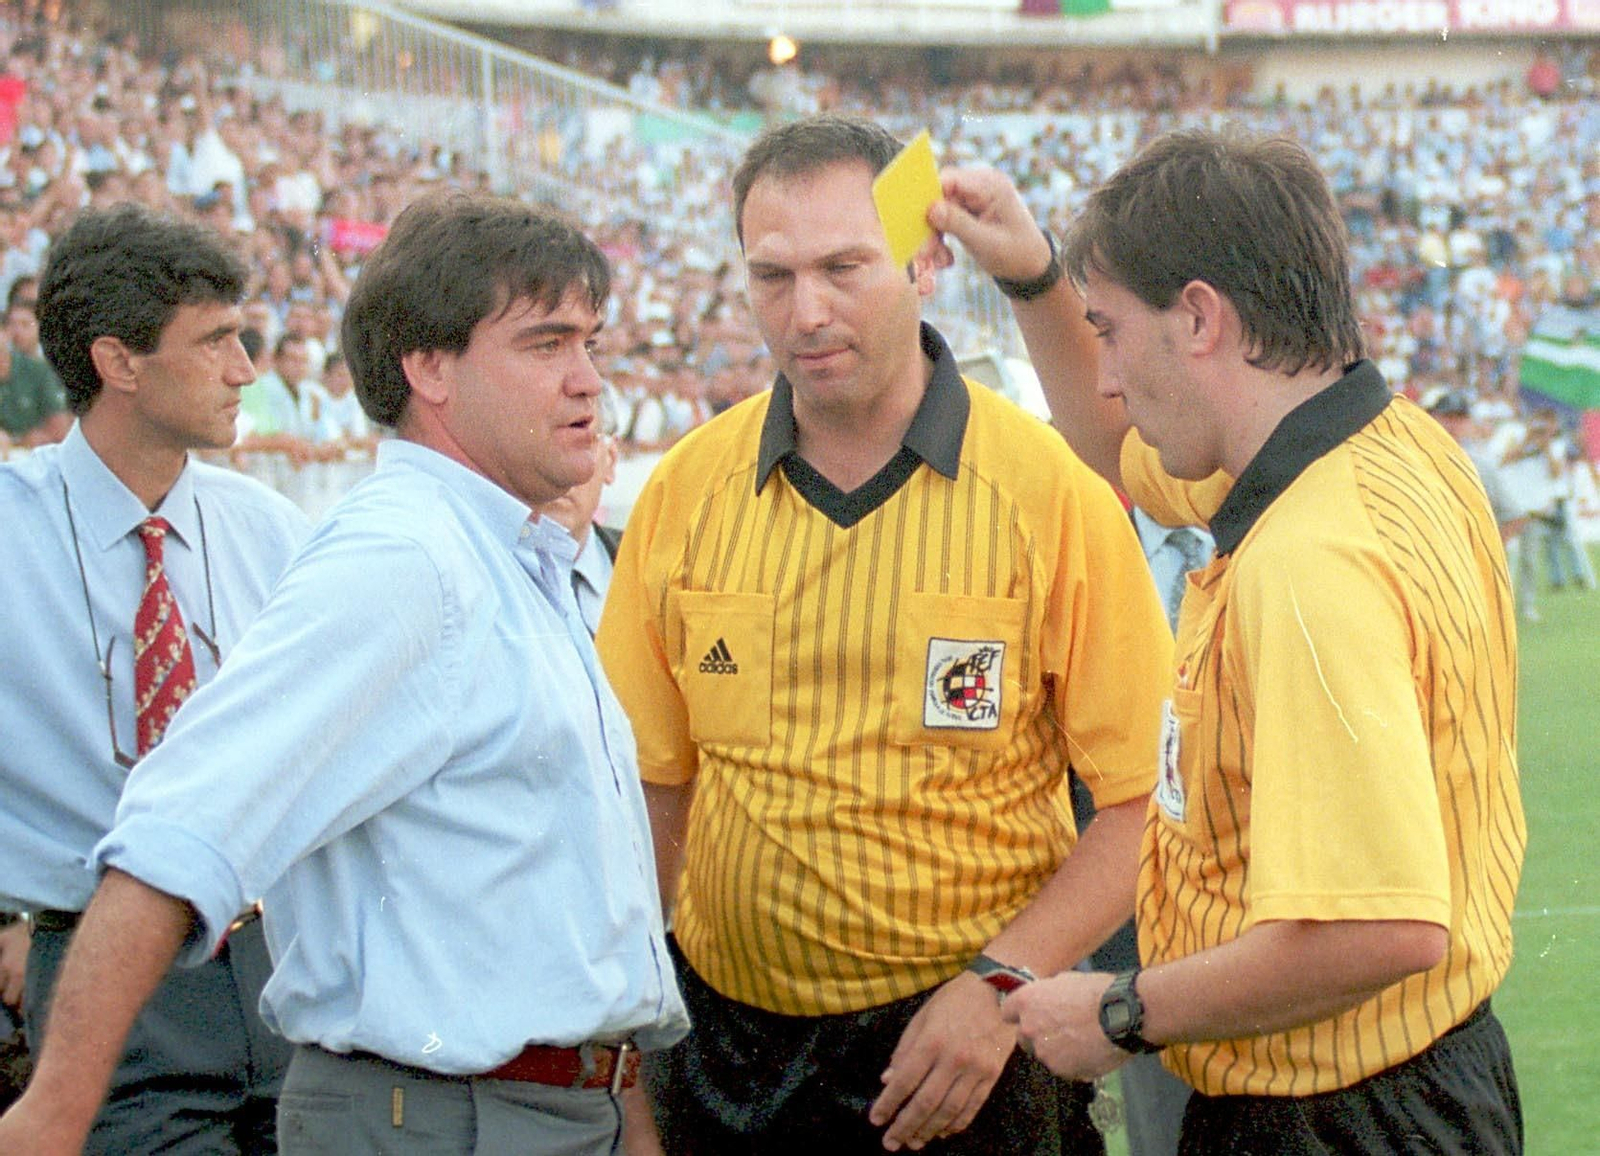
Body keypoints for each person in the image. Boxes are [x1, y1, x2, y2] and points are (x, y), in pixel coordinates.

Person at [0, 193, 688, 1156]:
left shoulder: (496, 556)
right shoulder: (403, 562)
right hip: (428, 1107)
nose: (589, 383)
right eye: (546, 345)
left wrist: (620, 1101)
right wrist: (54, 1111)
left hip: (535, 1099)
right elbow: (182, 825)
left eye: (592, 344)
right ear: (430, 368)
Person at [931, 128, 1525, 1153]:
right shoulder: (1391, 443)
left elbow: (1379, 926)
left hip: (1336, 1118)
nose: (1106, 373)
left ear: (1200, 317)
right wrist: (1035, 280)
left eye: (1109, 331)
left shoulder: (1309, 564)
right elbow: (1111, 443)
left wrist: (1118, 1010)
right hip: (1420, 1083)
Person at [596, 114, 1172, 1155]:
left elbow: (1142, 804)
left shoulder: (1048, 494)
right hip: (728, 1060)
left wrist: (1002, 978)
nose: (805, 310)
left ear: (924, 260)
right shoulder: (686, 491)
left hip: (972, 1056)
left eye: (844, 266)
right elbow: (651, 791)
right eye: (771, 275)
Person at [0, 203, 309, 1152]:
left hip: (282, 964)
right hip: (98, 976)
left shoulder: (269, 529)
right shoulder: (9, 530)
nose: (245, 370)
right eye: (216, 340)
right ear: (118, 363)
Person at [539, 380, 623, 637]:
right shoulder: (478, 574)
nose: (560, 473)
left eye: (580, 443)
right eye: (544, 447)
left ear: (610, 460)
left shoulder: (650, 569)